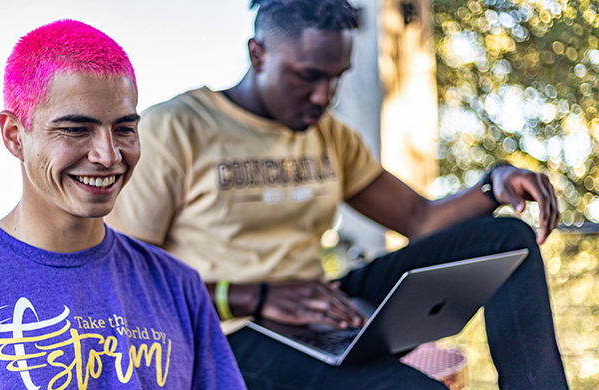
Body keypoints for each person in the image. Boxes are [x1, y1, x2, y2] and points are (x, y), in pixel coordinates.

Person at [106, 0, 568, 388]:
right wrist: (255, 297)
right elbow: (125, 277)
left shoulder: (331, 137)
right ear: (258, 54)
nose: (323, 96)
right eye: (307, 76)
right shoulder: (177, 128)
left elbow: (419, 219)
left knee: (506, 238)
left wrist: (493, 185)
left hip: (318, 311)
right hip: (228, 332)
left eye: (336, 78)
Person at [0, 20, 246, 390]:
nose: (108, 155)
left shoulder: (178, 286)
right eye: (76, 130)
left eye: (125, 129)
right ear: (15, 136)